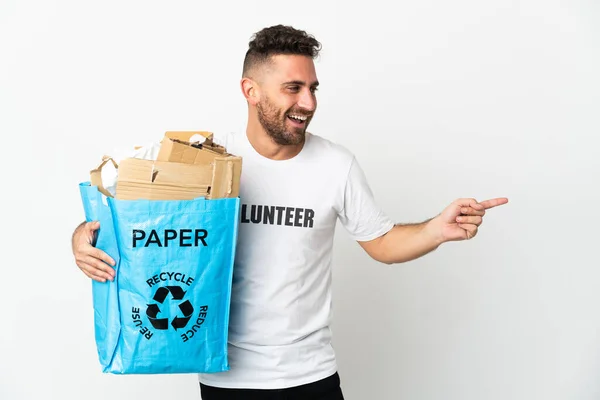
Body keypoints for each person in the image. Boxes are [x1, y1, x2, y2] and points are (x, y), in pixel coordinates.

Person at [72, 25, 508, 400]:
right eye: (293, 88)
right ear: (250, 90)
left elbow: (381, 242)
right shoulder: (204, 161)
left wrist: (436, 229)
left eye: (313, 88)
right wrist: (82, 237)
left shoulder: (337, 165)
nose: (309, 102)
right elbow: (126, 207)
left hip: (311, 377)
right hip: (225, 379)